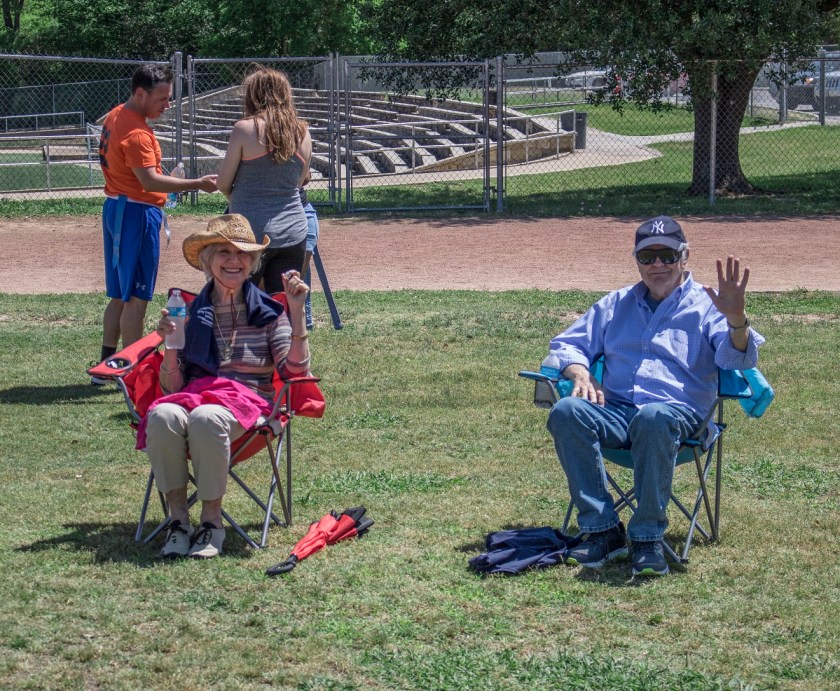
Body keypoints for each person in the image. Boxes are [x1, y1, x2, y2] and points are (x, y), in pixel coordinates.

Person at [544, 216, 764, 577]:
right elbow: (566, 345)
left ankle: (647, 537)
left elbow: (736, 357)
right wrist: (579, 371)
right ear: (637, 260)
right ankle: (602, 531)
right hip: (617, 412)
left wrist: (738, 320)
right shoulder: (616, 303)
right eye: (647, 257)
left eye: (667, 255)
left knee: (654, 416)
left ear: (685, 256)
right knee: (567, 410)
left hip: (680, 416)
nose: (657, 265)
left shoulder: (707, 304)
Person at [138, 213, 311, 559]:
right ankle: (178, 523)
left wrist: (295, 312)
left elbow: (296, 371)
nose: (234, 261)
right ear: (207, 261)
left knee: (207, 416)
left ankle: (212, 523)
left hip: (250, 411)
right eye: (224, 252)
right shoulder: (190, 312)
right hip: (194, 399)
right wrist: (170, 347)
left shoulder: (267, 312)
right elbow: (174, 389)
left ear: (252, 263)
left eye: (242, 254)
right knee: (162, 414)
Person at [93, 64, 218, 384]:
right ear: (140, 94)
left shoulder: (116, 114)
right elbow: (148, 181)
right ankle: (131, 371)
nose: (167, 105)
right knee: (137, 297)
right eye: (162, 98)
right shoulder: (136, 132)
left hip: (119, 208)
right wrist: (197, 183)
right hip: (135, 214)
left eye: (170, 98)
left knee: (120, 295)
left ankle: (107, 365)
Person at [217, 65, 312, 294]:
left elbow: (222, 183)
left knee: (241, 304)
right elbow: (299, 183)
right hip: (293, 231)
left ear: (253, 95)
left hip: (249, 235)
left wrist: (241, 197)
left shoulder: (243, 129)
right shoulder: (303, 132)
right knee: (282, 304)